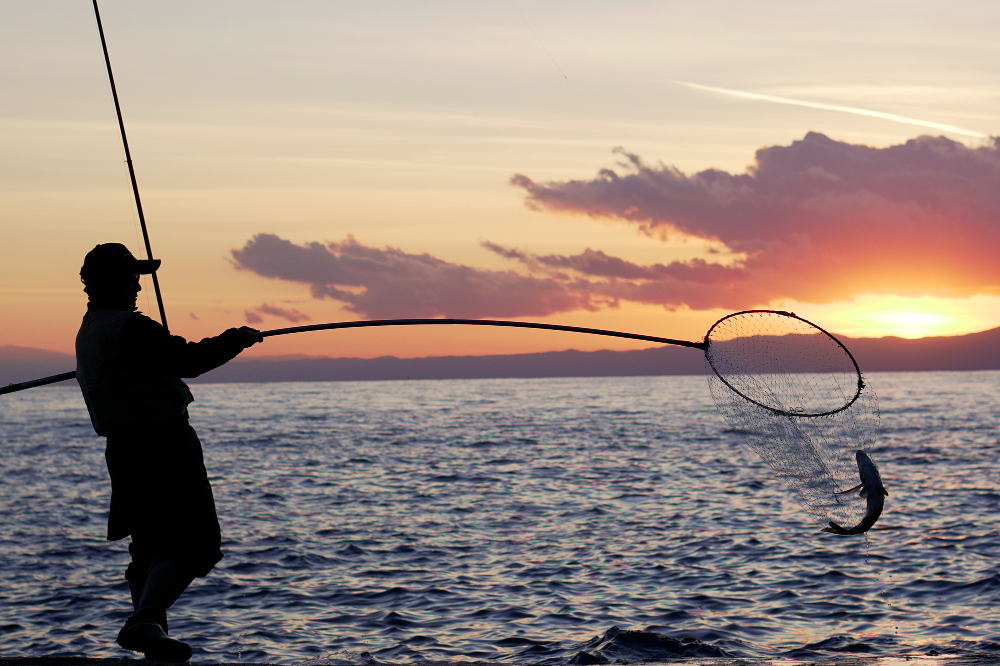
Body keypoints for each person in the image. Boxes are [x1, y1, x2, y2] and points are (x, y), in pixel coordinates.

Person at [75, 243, 263, 662]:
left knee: (149, 547)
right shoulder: (130, 328)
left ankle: (151, 639)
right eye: (128, 276)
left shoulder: (91, 332)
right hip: (163, 444)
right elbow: (188, 360)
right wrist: (237, 339)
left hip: (123, 453)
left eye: (137, 276)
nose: (136, 285)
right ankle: (146, 620)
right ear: (101, 282)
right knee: (198, 542)